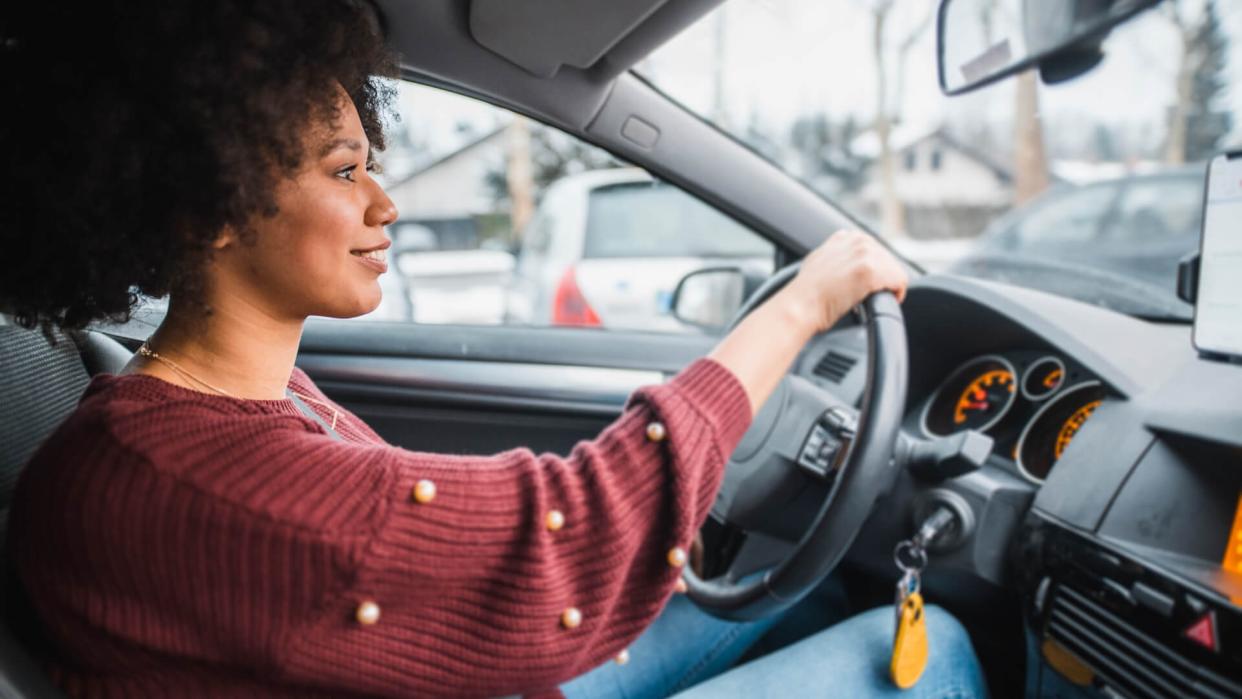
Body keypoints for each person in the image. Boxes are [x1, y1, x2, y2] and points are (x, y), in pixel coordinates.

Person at [0, 2, 987, 697]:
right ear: (204, 207)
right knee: (933, 643)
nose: (386, 203)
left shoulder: (236, 408)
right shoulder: (178, 483)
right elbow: (565, 542)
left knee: (799, 590)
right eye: (345, 171)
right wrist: (800, 307)